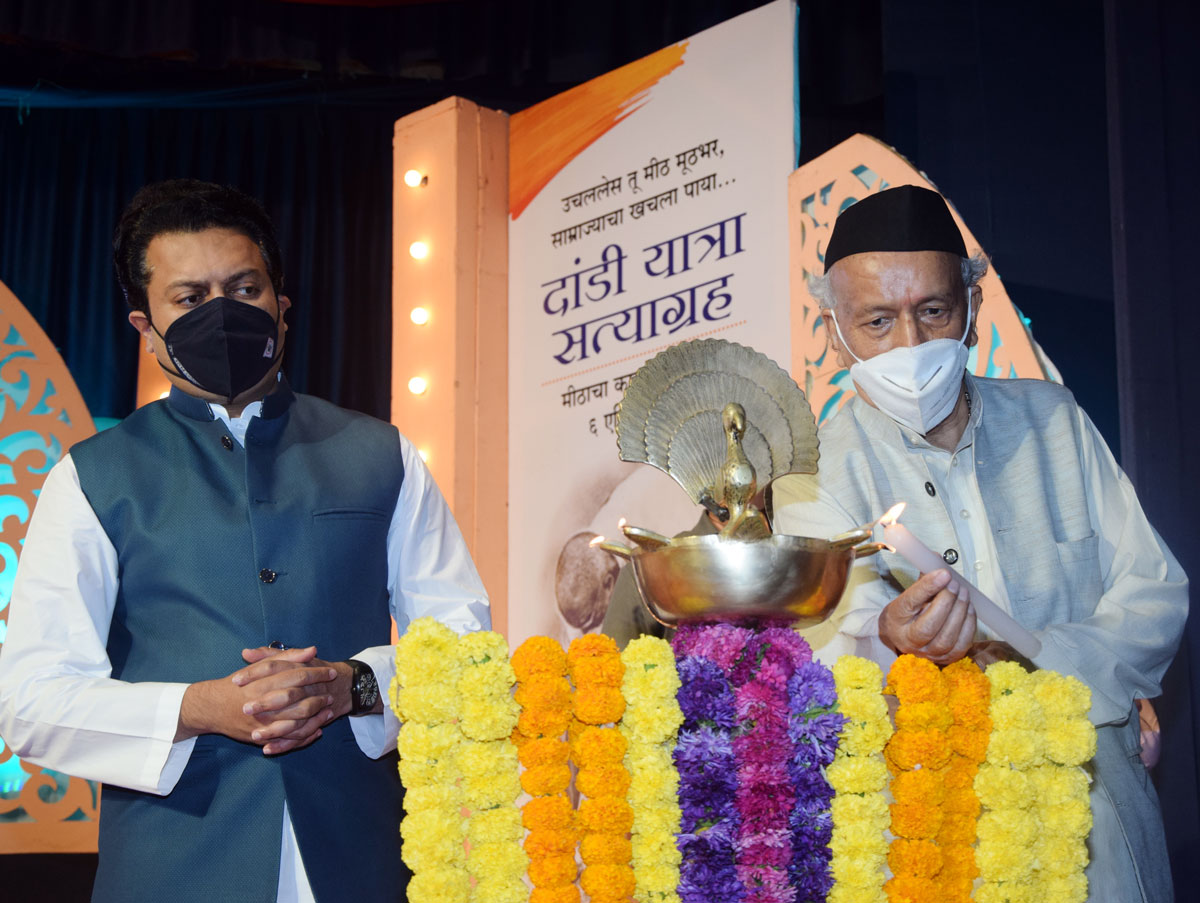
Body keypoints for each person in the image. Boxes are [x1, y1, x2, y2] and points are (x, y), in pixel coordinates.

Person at [0, 179, 490, 903]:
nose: (222, 312)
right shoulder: (92, 477)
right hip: (170, 868)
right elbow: (32, 700)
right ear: (145, 326)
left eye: (243, 288)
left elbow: (464, 643)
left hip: (363, 857)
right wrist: (198, 707)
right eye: (189, 298)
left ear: (281, 305)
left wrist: (354, 686)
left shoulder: (380, 453)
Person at [772, 184, 1187, 903]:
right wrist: (889, 641)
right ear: (835, 331)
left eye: (933, 310)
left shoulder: (1053, 422)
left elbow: (1155, 594)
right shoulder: (813, 477)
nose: (910, 344)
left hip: (1095, 816)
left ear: (972, 304)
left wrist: (1044, 660)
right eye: (877, 320)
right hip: (936, 832)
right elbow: (822, 664)